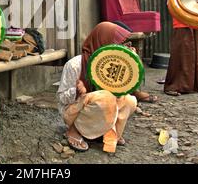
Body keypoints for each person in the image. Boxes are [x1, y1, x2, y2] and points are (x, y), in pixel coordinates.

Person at [57, 22, 139, 153]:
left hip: (100, 106)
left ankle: (106, 132)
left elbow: (125, 90)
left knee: (130, 100)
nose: (120, 48)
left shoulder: (113, 63)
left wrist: (132, 63)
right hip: (73, 111)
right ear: (103, 42)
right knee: (106, 97)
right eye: (117, 44)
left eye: (123, 44)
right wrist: (77, 91)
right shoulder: (75, 65)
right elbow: (61, 98)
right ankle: (74, 131)